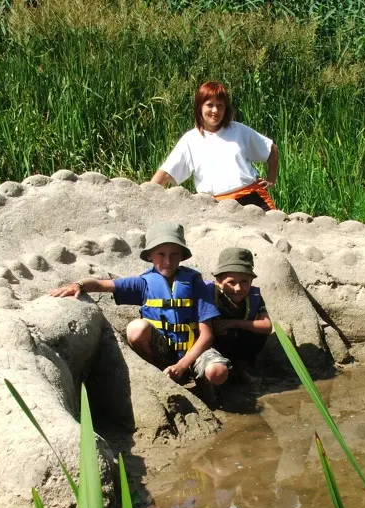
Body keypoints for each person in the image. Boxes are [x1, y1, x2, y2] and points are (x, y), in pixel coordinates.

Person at [49, 222, 230, 387]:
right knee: (136, 328)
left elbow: (207, 336)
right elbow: (100, 284)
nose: (168, 261)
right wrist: (78, 285)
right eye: (161, 254)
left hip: (193, 350)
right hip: (163, 352)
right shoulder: (142, 283)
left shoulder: (194, 283)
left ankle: (205, 388)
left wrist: (181, 366)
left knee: (218, 372)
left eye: (174, 254)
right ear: (150, 255)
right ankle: (159, 375)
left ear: (182, 256)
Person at [150, 81, 279, 211]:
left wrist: (271, 180)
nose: (215, 111)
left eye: (220, 106)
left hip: (253, 197)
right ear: (200, 107)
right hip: (216, 205)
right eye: (209, 105)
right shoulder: (190, 140)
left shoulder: (239, 130)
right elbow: (165, 174)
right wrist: (146, 197)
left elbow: (271, 149)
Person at [205, 247, 272, 384]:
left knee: (257, 333)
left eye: (244, 282)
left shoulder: (254, 296)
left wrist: (233, 323)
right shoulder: (209, 294)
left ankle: (242, 366)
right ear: (219, 281)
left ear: (251, 281)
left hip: (240, 342)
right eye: (231, 282)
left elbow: (267, 326)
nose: (238, 288)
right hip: (215, 343)